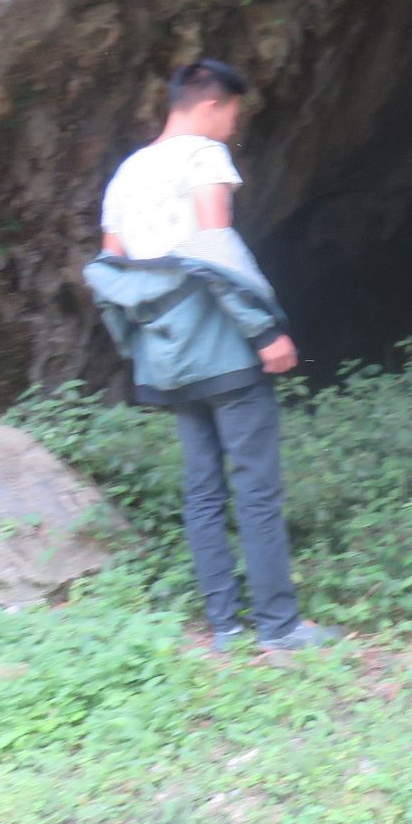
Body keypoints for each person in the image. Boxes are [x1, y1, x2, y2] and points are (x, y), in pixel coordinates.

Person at [83, 59, 337, 654]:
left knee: (202, 491)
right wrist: (263, 333)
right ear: (212, 105)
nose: (234, 126)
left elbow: (112, 273)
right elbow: (215, 251)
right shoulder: (202, 158)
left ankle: (224, 627)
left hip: (167, 361)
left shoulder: (125, 175)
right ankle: (277, 627)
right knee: (255, 489)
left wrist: (140, 348)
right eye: (234, 113)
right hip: (223, 349)